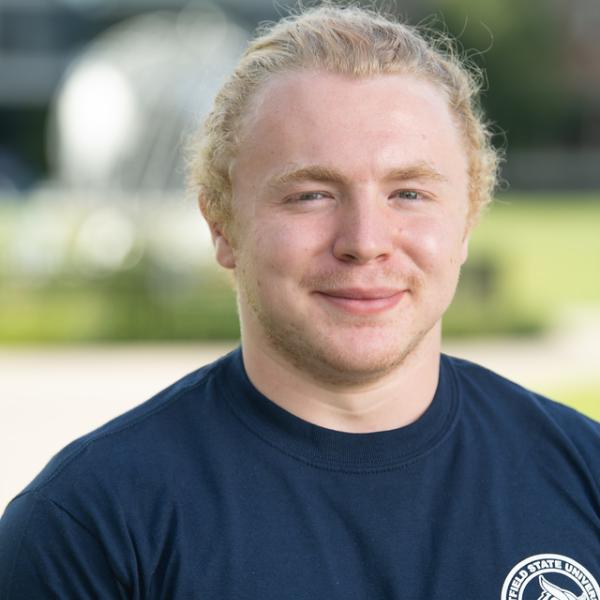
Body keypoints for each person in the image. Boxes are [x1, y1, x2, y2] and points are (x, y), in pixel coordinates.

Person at [1, 4, 599, 599]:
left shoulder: (585, 476)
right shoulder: (88, 530)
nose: (365, 242)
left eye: (409, 192)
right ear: (222, 226)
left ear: (467, 221)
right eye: (312, 194)